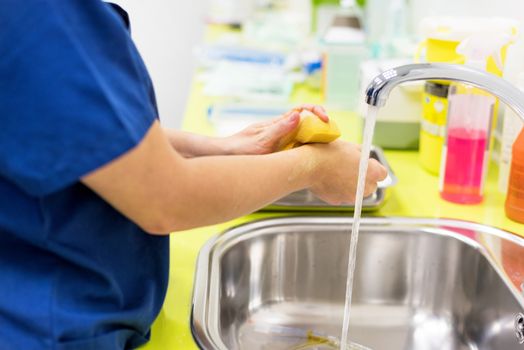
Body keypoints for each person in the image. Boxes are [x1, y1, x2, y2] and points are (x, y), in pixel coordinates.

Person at [0, 1, 387, 349]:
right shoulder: (41, 14)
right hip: (48, 328)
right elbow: (163, 198)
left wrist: (220, 148)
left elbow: (74, 129)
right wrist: (314, 167)